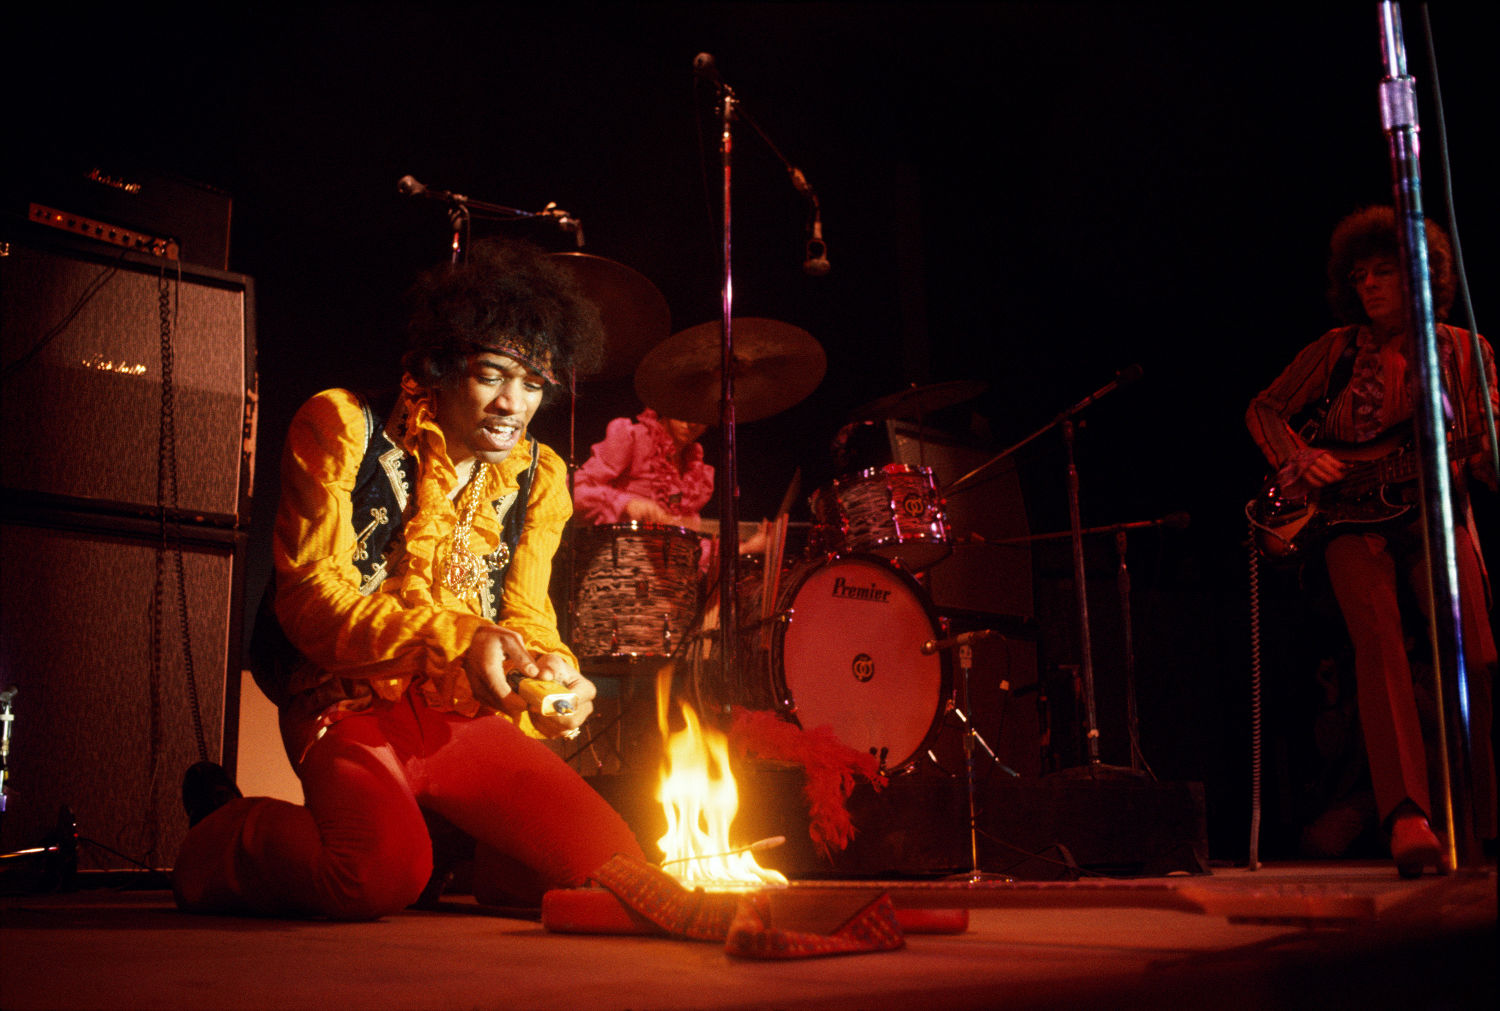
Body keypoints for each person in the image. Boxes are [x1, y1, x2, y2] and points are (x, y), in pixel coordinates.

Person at [173, 238, 645, 919]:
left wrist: (554, 672)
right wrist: (453, 639)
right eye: (491, 374)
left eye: (534, 383)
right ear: (440, 366)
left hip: (455, 717)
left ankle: (485, 856)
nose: (513, 403)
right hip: (344, 698)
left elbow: (526, 613)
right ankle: (224, 830)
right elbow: (311, 602)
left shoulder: (540, 476)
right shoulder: (340, 425)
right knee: (375, 874)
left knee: (619, 870)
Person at [1246, 205, 1497, 877]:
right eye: (1360, 277)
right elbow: (1263, 407)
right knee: (1377, 642)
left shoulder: (1465, 349)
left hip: (1434, 513)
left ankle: (1487, 813)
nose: (1371, 287)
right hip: (1350, 519)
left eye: (1384, 272)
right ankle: (1406, 816)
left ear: (1419, 274)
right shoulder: (1333, 349)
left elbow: (1488, 461)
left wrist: (1479, 450)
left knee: (1474, 643)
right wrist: (1298, 459)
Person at [572, 409, 715, 529]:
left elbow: (685, 543)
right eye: (685, 411)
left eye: (700, 415)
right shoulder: (634, 438)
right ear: (668, 404)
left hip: (669, 560)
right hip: (619, 554)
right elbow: (574, 491)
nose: (692, 423)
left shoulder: (696, 471)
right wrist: (626, 504)